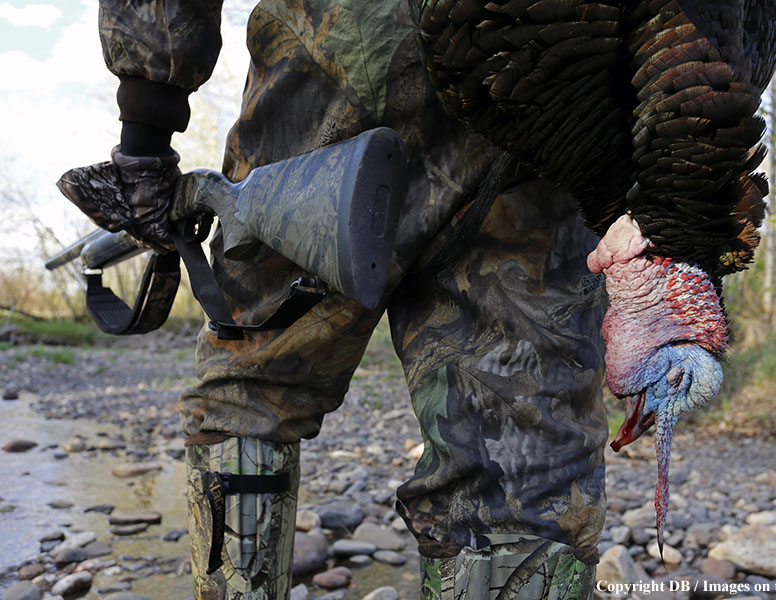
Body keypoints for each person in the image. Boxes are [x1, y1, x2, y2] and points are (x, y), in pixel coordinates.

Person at [94, 1, 608, 598]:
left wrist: (146, 134)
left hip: (340, 50)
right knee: (524, 444)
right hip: (546, 72)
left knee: (252, 391)